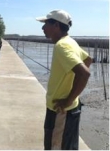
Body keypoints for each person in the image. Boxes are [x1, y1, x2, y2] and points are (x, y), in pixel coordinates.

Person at [36, 10, 92, 150]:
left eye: (46, 24)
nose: (43, 28)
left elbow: (84, 74)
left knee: (57, 147)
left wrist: (68, 99)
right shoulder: (70, 41)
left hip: (61, 111)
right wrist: (73, 92)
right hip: (66, 109)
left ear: (56, 25)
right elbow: (88, 59)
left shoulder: (62, 46)